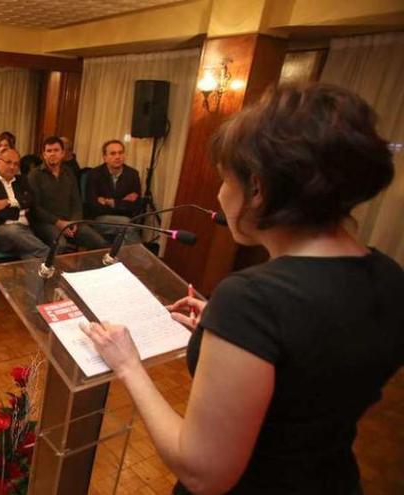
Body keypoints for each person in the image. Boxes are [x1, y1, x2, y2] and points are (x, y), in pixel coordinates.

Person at [80, 84, 403, 494]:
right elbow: (319, 376)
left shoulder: (251, 299)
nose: (218, 194)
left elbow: (203, 473)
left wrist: (128, 364)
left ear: (257, 188)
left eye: (224, 180)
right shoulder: (390, 275)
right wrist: (233, 336)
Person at [29, 136, 106, 251]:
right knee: (61, 245)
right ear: (44, 154)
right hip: (46, 223)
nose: (52, 154)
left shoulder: (69, 173)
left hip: (70, 221)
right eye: (49, 151)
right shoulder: (35, 175)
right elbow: (35, 208)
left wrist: (74, 221)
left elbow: (76, 202)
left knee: (99, 242)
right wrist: (59, 223)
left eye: (56, 150)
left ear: (62, 153)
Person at [0, 147, 48, 259]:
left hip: (25, 229)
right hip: (0, 231)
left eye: (16, 164)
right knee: (15, 231)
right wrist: (20, 207)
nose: (12, 167)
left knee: (31, 255)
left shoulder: (22, 180)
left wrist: (8, 202)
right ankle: (49, 255)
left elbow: (31, 200)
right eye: (8, 162)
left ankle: (35, 274)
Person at [84, 139, 143, 244]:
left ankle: (117, 259)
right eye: (113, 153)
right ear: (105, 158)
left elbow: (136, 206)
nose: (117, 157)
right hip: (99, 219)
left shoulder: (133, 174)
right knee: (127, 226)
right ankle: (141, 259)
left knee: (125, 232)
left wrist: (111, 202)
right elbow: (93, 206)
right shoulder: (94, 174)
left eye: (120, 153)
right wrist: (122, 203)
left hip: (126, 219)